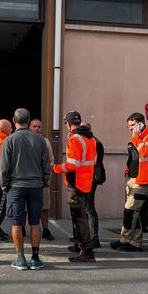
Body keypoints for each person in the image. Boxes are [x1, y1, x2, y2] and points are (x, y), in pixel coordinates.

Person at [0, 108, 51, 270]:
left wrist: (4, 186)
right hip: (35, 186)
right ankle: (35, 257)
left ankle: (20, 257)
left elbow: (4, 168)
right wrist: (44, 181)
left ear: (14, 120)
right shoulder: (40, 140)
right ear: (29, 122)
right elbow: (46, 164)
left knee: (16, 222)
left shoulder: (9, 140)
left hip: (16, 186)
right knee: (35, 223)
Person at [110, 112, 148, 252]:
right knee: (133, 212)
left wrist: (136, 137)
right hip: (132, 179)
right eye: (129, 126)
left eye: (132, 125)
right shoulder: (135, 138)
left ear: (141, 124)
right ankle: (134, 242)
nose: (131, 128)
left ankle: (125, 240)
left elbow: (144, 152)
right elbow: (133, 157)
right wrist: (127, 170)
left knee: (130, 211)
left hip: (143, 181)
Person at [53, 110, 97, 262]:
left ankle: (86, 251)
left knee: (79, 218)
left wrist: (56, 168)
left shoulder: (74, 139)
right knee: (82, 216)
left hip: (76, 184)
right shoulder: (90, 138)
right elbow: (92, 161)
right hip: (86, 182)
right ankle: (83, 249)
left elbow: (72, 165)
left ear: (68, 124)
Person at [81, 122, 105, 248]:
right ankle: (88, 236)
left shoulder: (93, 142)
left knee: (89, 208)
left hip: (90, 179)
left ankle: (94, 238)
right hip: (89, 178)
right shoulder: (93, 141)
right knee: (87, 207)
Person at [29, 119, 55, 240]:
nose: (37, 128)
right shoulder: (25, 140)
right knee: (24, 208)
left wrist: (47, 178)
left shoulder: (45, 142)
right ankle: (22, 230)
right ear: (29, 127)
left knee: (44, 207)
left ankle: (45, 229)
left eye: (39, 126)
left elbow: (51, 160)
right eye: (34, 126)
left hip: (42, 180)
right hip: (27, 180)